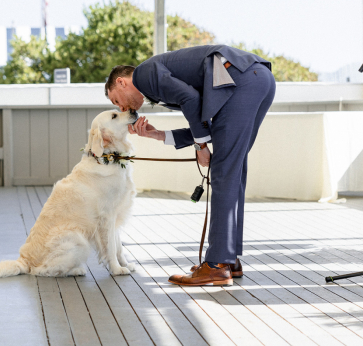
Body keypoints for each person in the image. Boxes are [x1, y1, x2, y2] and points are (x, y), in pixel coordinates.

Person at [105, 44, 275, 286]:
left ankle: (216, 265)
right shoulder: (158, 82)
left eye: (116, 100)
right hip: (258, 78)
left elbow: (191, 100)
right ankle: (229, 259)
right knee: (233, 170)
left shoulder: (144, 75)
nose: (122, 108)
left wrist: (201, 147)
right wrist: (159, 135)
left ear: (121, 82)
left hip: (241, 79)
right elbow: (211, 125)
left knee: (224, 172)